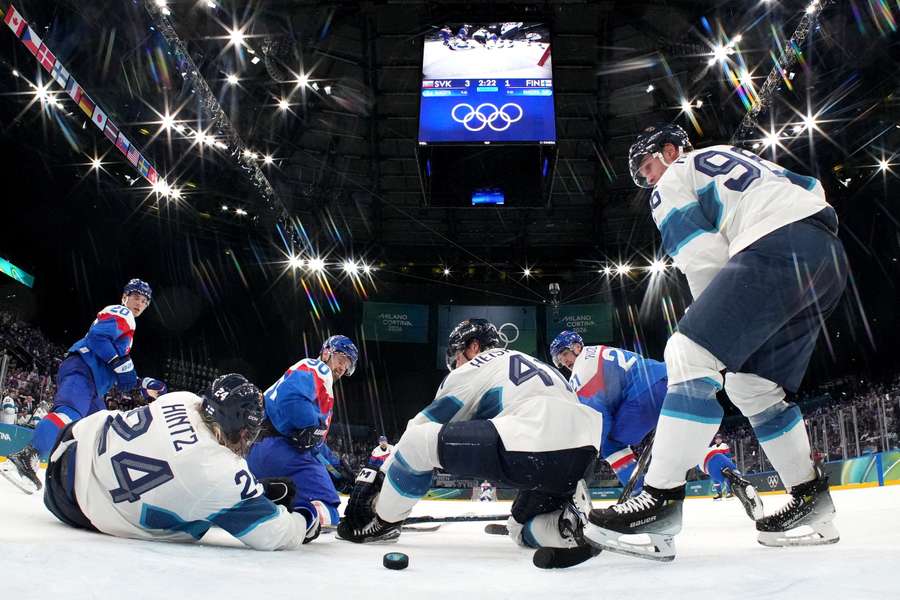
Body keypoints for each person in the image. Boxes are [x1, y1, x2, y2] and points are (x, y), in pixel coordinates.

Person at [584, 124, 848, 561]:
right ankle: (811, 499)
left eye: (648, 167)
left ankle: (660, 501)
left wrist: (713, 334)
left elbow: (701, 254)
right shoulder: (732, 153)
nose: (649, 179)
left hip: (773, 251)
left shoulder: (671, 179)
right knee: (754, 388)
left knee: (687, 353)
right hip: (825, 255)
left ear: (670, 151)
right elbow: (812, 187)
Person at [338, 318, 603, 551]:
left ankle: (382, 524)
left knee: (417, 443)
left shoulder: (477, 365)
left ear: (473, 346)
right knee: (519, 528)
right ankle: (566, 525)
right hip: (584, 459)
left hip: (533, 447)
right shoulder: (542, 365)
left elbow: (419, 429)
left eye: (457, 355)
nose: (456, 363)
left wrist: (380, 472)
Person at [41, 373, 324, 550]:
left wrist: (248, 492)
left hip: (71, 441)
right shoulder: (221, 473)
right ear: (242, 430)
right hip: (76, 505)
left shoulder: (182, 399)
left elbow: (175, 456)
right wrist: (306, 517)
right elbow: (274, 534)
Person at [550, 330, 762, 520]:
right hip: (670, 381)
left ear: (577, 347)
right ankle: (730, 474)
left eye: (565, 354)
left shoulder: (581, 370)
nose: (564, 361)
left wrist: (587, 453)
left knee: (610, 444)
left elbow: (599, 419)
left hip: (644, 398)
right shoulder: (600, 351)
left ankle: (641, 499)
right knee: (686, 446)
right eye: (560, 359)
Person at [2, 279, 167, 494]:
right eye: (136, 296)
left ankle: (79, 485)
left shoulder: (126, 327)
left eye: (145, 301)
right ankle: (26, 457)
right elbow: (99, 339)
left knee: (99, 432)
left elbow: (115, 367)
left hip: (93, 383)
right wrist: (120, 364)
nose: (140, 303)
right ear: (125, 297)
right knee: (68, 413)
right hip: (84, 370)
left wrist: (141, 384)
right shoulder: (122, 313)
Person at [247, 335, 359, 527]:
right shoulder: (318, 368)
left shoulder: (315, 380)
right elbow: (292, 399)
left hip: (254, 451)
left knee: (285, 497)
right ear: (326, 353)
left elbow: (314, 443)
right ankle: (298, 523)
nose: (342, 368)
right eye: (341, 360)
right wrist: (312, 425)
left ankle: (266, 501)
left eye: (347, 365)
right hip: (282, 451)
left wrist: (338, 471)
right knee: (328, 509)